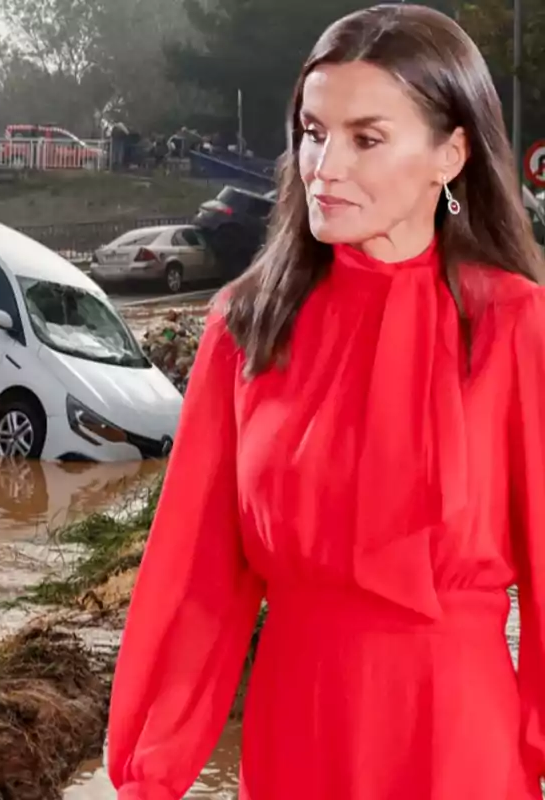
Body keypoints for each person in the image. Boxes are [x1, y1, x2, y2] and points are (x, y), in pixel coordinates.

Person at [106, 5, 545, 799]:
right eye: (312, 131)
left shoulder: (516, 327)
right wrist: (150, 773)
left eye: (365, 139)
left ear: (450, 154)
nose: (323, 166)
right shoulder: (246, 325)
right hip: (295, 738)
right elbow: (195, 580)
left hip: (458, 745)